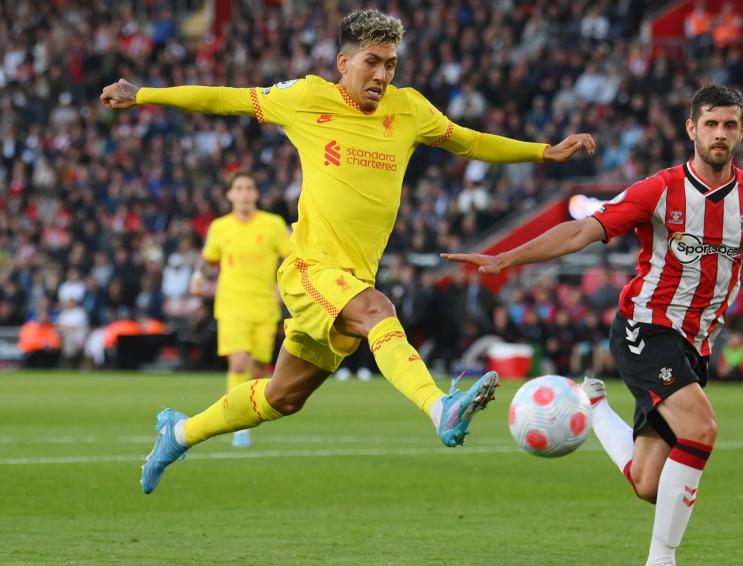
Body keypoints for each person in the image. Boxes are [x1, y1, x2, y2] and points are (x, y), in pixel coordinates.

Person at [100, 8, 595, 494]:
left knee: (283, 396)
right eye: (372, 62)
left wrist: (541, 151)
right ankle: (440, 407)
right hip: (311, 269)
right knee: (380, 310)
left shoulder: (410, 110)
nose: (382, 74)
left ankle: (180, 433)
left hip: (350, 281)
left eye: (391, 64)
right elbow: (224, 99)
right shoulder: (305, 97)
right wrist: (143, 94)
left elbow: (469, 142)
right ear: (343, 63)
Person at [443, 83, 743, 566]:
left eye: (730, 124)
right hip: (645, 327)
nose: (720, 134)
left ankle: (593, 407)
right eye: (711, 124)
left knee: (649, 484)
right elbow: (580, 232)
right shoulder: (659, 189)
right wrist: (506, 258)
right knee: (701, 427)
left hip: (695, 344)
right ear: (691, 129)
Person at [190, 172, 291, 449]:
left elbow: (293, 255)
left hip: (265, 305)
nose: (244, 193)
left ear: (256, 194)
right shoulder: (220, 227)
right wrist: (197, 277)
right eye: (239, 188)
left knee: (258, 368)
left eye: (249, 188)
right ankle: (236, 425)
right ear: (230, 195)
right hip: (231, 304)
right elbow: (208, 259)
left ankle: (247, 419)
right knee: (238, 363)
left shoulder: (273, 225)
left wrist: (282, 287)